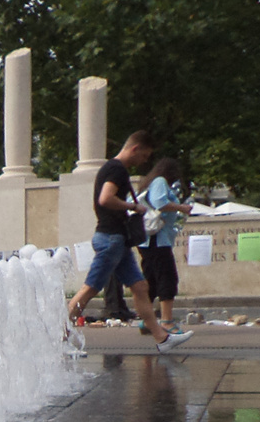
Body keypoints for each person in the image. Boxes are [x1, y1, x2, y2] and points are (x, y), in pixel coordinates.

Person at [66, 131, 193, 352]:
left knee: (140, 287)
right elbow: (105, 198)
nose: (145, 161)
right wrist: (134, 207)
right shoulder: (116, 169)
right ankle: (60, 338)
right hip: (110, 239)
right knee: (89, 289)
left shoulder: (113, 169)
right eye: (144, 155)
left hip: (118, 240)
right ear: (135, 148)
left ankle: (162, 338)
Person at [137, 157, 194, 330]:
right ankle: (167, 321)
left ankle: (147, 321)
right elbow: (160, 203)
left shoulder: (149, 183)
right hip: (158, 239)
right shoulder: (160, 181)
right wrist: (182, 208)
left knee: (151, 281)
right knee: (167, 278)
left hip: (146, 240)